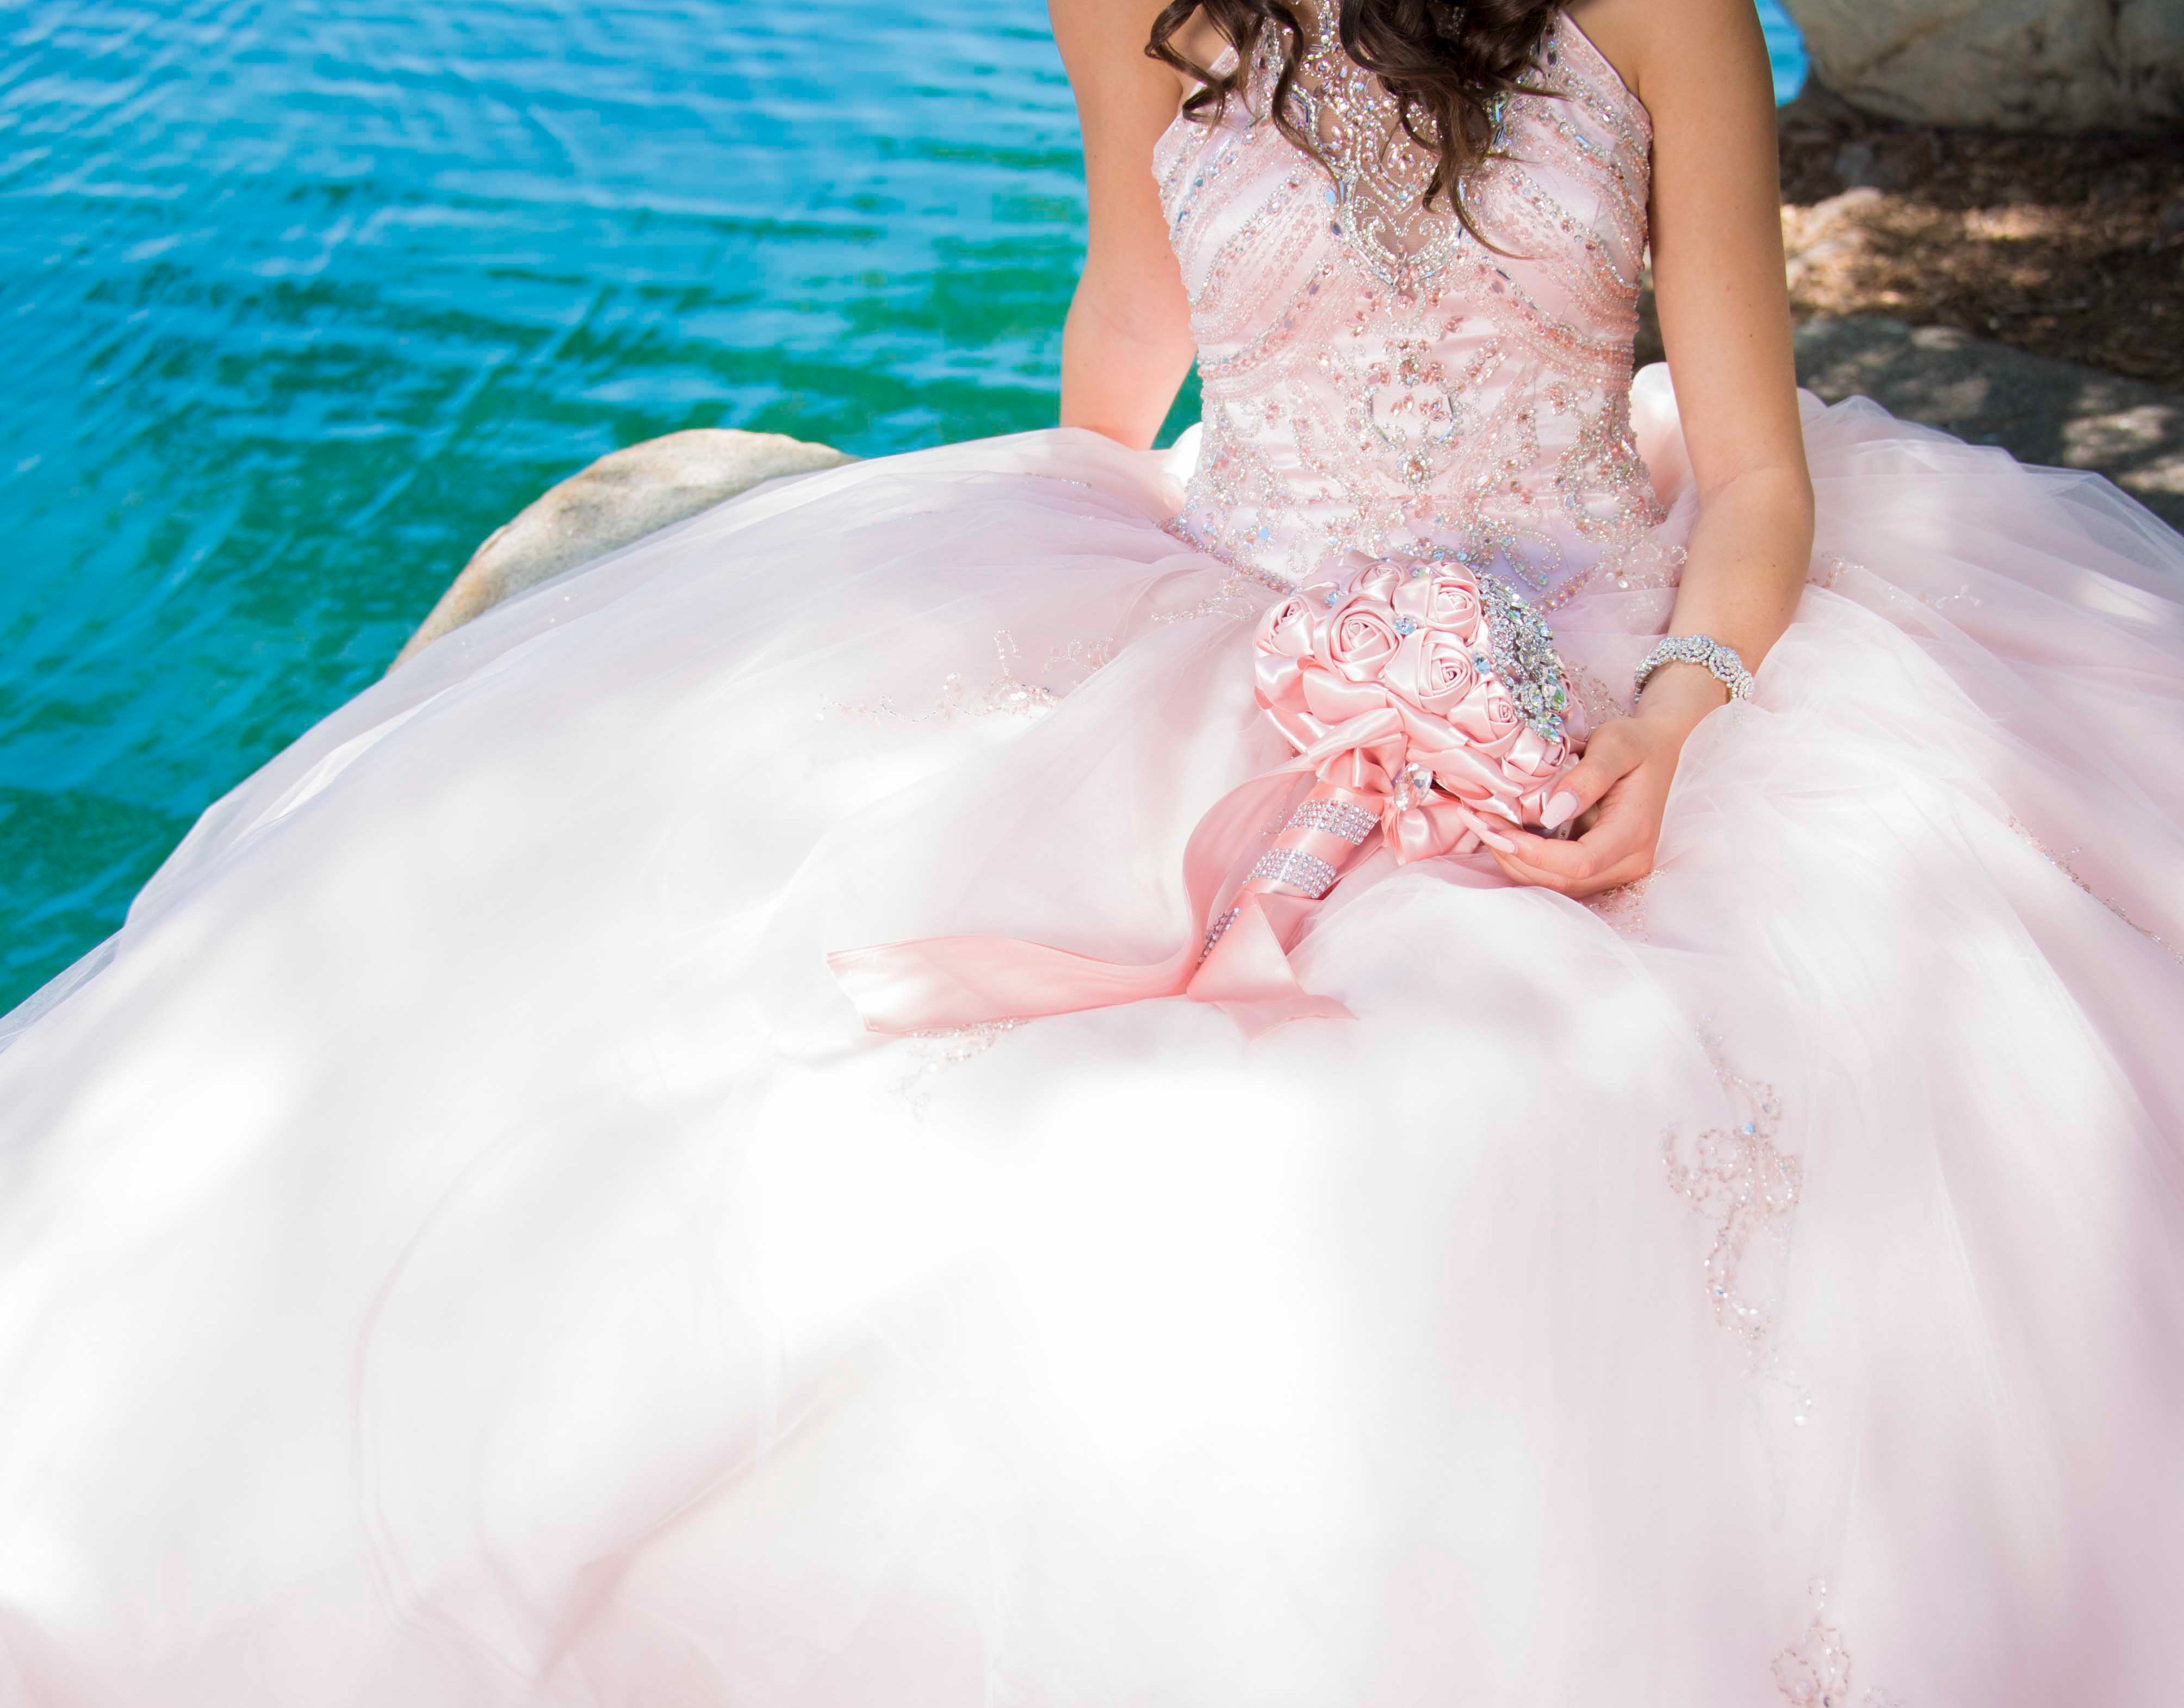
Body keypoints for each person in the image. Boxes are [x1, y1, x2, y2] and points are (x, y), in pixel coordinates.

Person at [2, 0, 2181, 1699]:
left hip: (1612, 632)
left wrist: (1683, 709)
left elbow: (1752, 463)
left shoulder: (1653, 10)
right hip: (1239, 596)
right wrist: (1031, 591)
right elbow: (1133, 318)